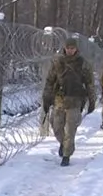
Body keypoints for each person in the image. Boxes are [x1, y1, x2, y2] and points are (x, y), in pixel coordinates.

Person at [41, 38, 96, 166]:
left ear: (76, 49)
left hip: (75, 101)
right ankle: (63, 143)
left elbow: (89, 84)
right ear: (64, 48)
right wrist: (46, 99)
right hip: (59, 100)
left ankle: (66, 155)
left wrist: (92, 100)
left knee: (70, 130)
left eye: (72, 48)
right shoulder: (58, 62)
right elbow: (50, 81)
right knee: (57, 127)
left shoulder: (83, 64)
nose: (70, 50)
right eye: (68, 48)